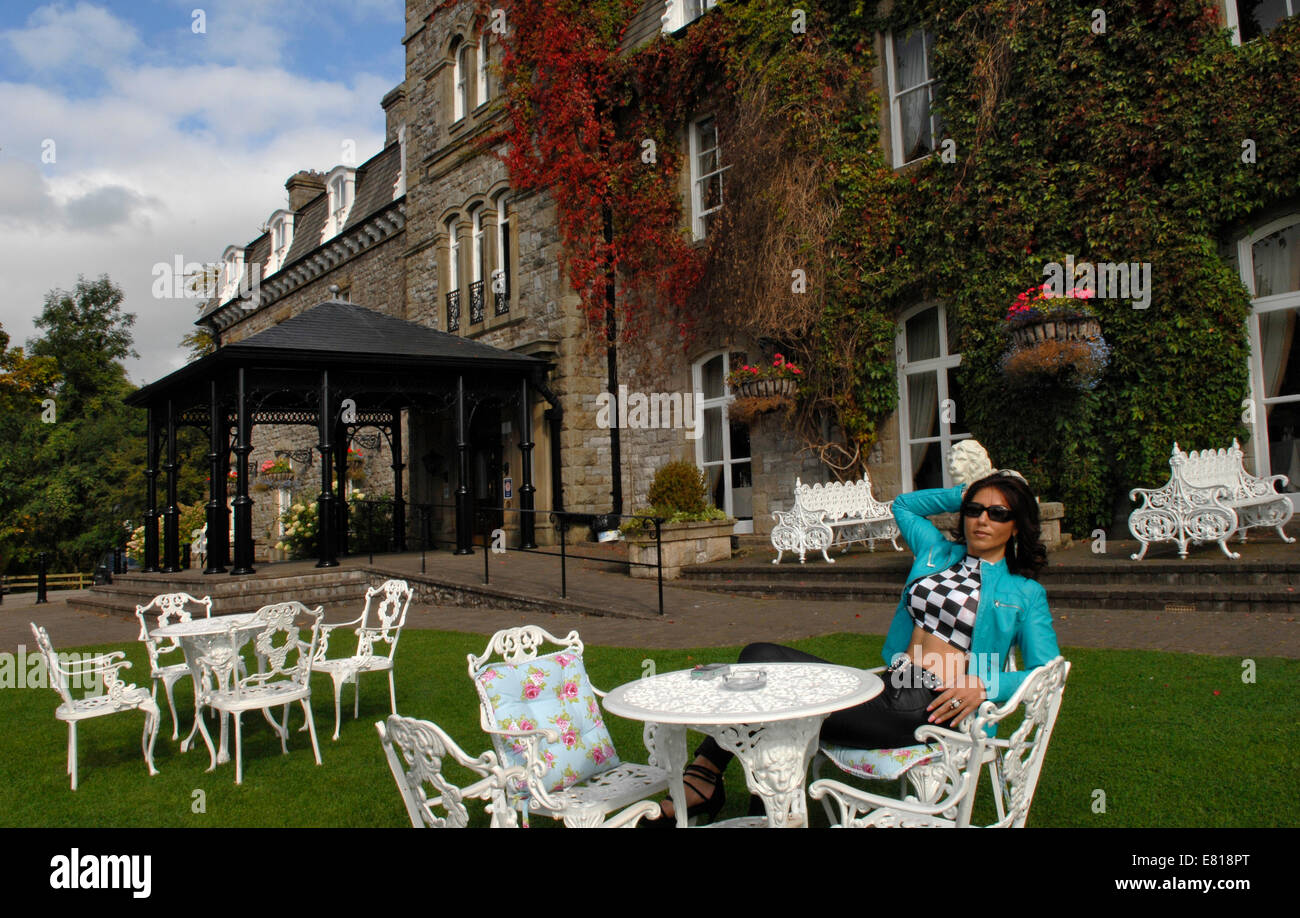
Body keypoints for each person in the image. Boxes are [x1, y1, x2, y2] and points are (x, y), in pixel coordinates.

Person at [648, 470, 1060, 825]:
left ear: (1017, 525)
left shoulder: (1024, 592)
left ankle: (708, 782)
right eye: (974, 510)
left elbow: (1048, 673)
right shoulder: (937, 552)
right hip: (889, 683)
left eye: (998, 513)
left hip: (929, 705)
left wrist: (983, 685)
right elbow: (903, 505)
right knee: (757, 655)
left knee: (774, 710)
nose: (982, 520)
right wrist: (973, 490)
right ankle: (718, 781)